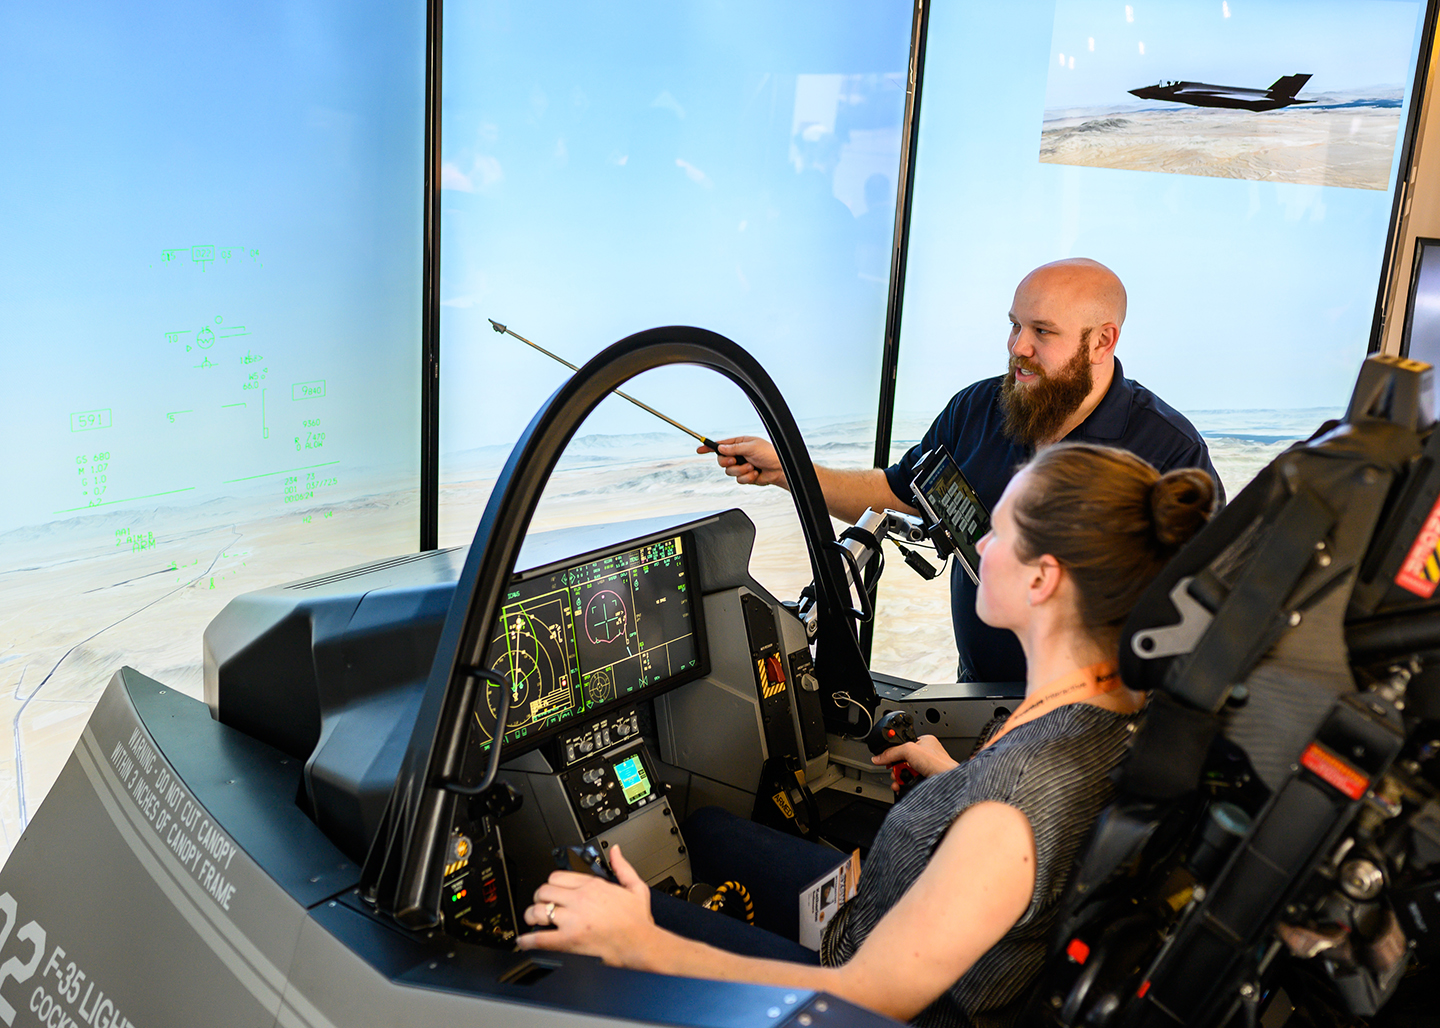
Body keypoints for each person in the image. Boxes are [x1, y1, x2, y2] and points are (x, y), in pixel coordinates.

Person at [516, 444, 1217, 1028]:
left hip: (861, 990)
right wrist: (952, 779)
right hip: (888, 912)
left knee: (596, 925)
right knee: (705, 828)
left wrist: (639, 943)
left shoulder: (1011, 810)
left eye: (999, 532)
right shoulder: (1112, 710)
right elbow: (1039, 836)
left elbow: (865, 1001)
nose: (980, 543)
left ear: (1044, 578)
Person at [705, 258, 1221, 683]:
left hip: (1092, 706)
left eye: (1042, 331)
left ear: (1103, 341)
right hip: (975, 688)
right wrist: (788, 471)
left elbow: (1198, 611)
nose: (1018, 346)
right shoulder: (979, 408)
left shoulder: (1169, 450)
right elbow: (896, 492)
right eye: (1015, 324)